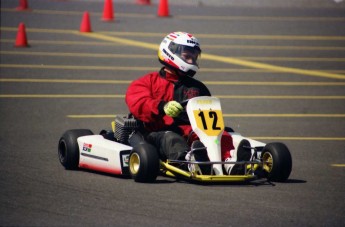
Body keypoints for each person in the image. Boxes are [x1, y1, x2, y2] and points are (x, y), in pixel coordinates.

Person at [125, 31, 250, 175]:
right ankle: (189, 162)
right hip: (157, 133)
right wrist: (162, 106)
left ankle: (229, 162)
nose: (191, 61)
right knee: (172, 139)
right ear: (170, 53)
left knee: (222, 135)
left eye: (194, 57)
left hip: (191, 132)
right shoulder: (147, 82)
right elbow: (138, 103)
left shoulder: (198, 87)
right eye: (187, 56)